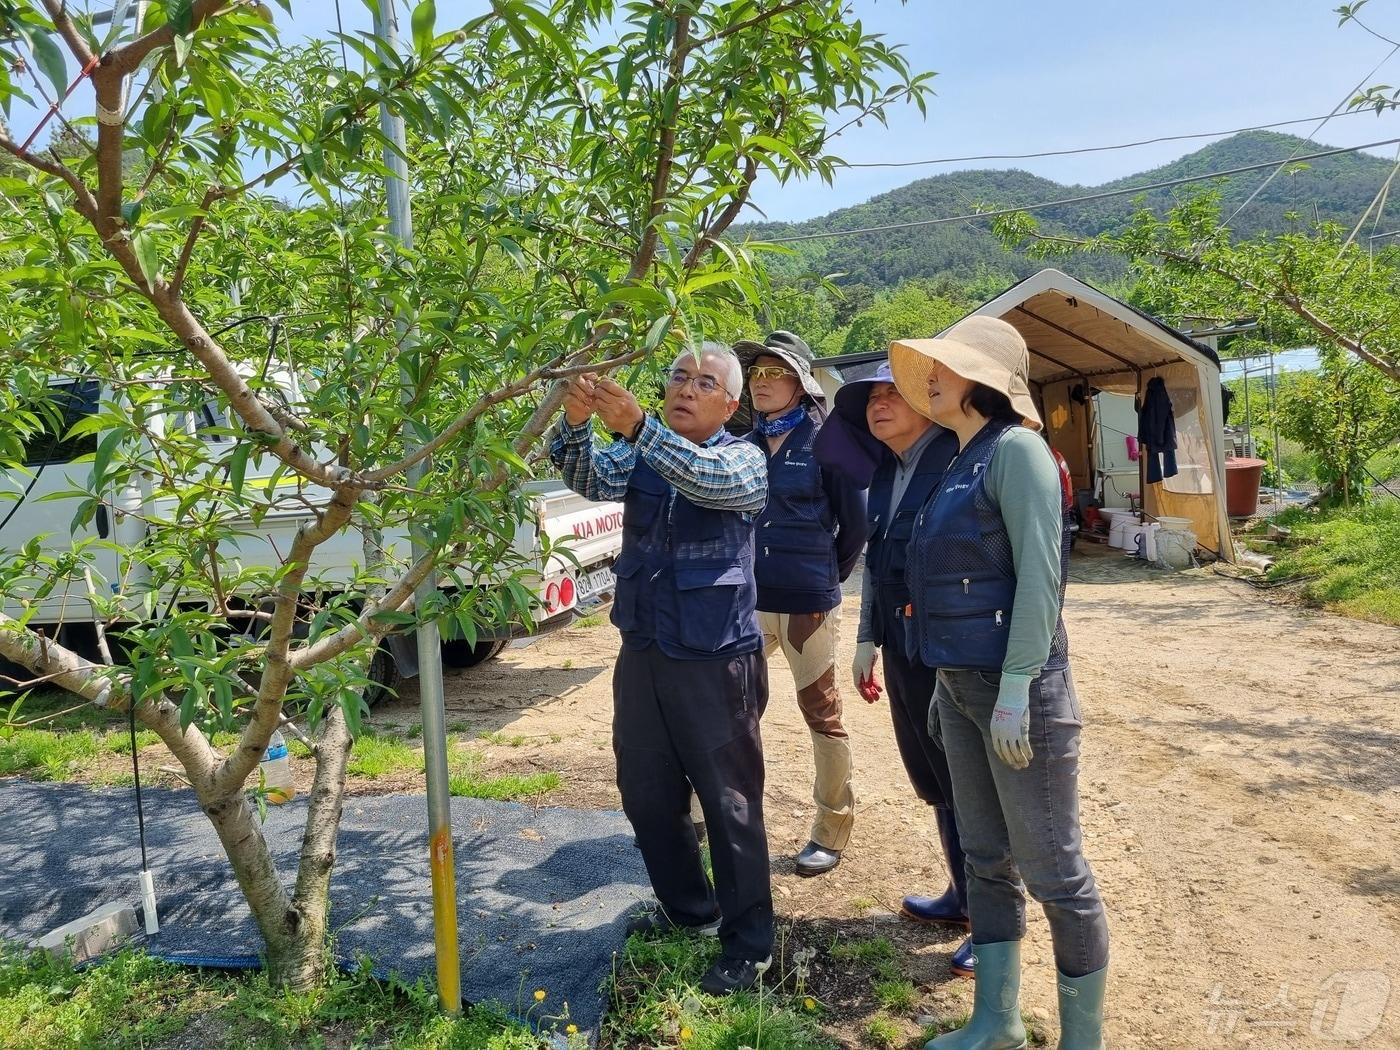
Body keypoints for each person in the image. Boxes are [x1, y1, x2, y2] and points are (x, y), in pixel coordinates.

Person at [889, 316, 1109, 1050]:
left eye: (944, 366)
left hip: (1023, 696)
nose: (928, 377)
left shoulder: (1018, 452)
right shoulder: (955, 457)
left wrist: (1017, 684)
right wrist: (947, 690)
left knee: (1056, 873)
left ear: (984, 380)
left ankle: (1085, 1040)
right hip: (960, 690)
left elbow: (1041, 583)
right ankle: (996, 1021)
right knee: (986, 861)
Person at [549, 344, 774, 996]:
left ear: (729, 405)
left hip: (715, 658)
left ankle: (750, 944)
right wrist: (573, 423)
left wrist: (640, 427)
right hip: (644, 648)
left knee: (730, 804)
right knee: (645, 791)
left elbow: (704, 480)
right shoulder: (643, 451)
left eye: (705, 382)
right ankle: (689, 910)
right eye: (679, 376)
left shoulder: (744, 459)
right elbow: (590, 477)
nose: (686, 388)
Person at [814, 361, 976, 978]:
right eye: (871, 398)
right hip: (905, 648)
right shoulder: (887, 472)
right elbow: (880, 564)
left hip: (950, 650)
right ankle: (961, 897)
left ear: (928, 402)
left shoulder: (959, 460)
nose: (879, 405)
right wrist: (866, 641)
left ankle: (992, 924)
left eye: (893, 394)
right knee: (934, 775)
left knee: (970, 783)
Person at [736, 331, 868, 876]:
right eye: (756, 373)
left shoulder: (828, 440)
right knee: (728, 705)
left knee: (821, 713)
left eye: (775, 373)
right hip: (744, 601)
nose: (762, 382)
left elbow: (856, 525)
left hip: (807, 603)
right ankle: (708, 815)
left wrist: (823, 577)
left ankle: (831, 828)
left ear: (800, 382)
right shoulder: (739, 443)